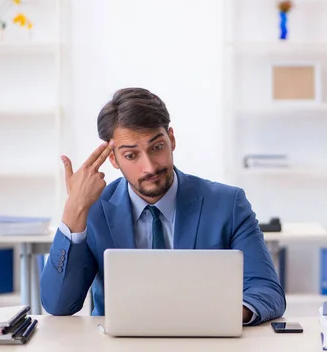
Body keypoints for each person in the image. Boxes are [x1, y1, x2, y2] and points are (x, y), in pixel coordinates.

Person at [40, 87, 286, 325]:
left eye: (157, 147)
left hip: (204, 341)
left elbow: (267, 291)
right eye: (131, 155)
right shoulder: (94, 210)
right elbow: (58, 305)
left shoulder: (228, 204)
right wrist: (74, 210)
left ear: (171, 139)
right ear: (113, 159)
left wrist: (218, 316)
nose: (149, 167)